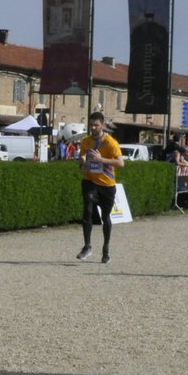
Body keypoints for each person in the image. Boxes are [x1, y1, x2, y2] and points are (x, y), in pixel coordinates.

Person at [76, 110, 123, 264]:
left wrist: (101, 159)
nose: (93, 128)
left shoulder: (110, 142)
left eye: (96, 125)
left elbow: (121, 163)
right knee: (87, 211)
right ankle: (87, 246)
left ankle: (106, 248)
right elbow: (82, 157)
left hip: (106, 184)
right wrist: (82, 163)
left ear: (102, 125)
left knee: (105, 217)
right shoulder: (86, 141)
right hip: (90, 180)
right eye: (91, 125)